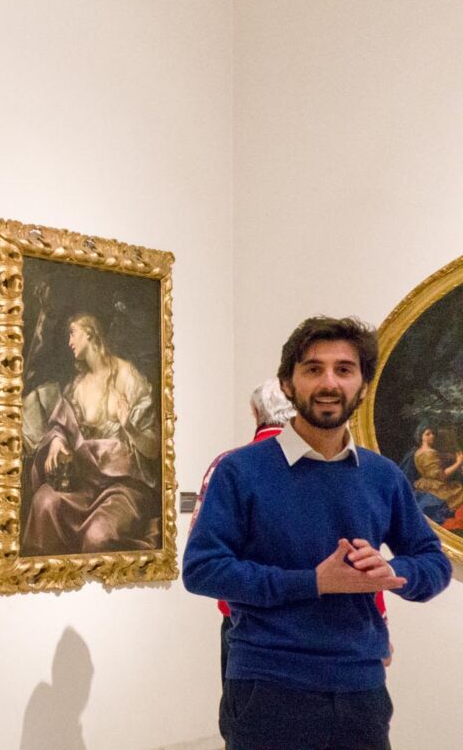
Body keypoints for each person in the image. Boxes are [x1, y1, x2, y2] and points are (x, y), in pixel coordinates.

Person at [184, 316, 451, 750]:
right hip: (267, 688)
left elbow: (433, 563)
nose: (329, 382)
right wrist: (313, 582)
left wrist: (393, 572)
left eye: (344, 369)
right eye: (313, 369)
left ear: (363, 386)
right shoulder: (240, 470)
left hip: (361, 690)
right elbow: (202, 570)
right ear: (288, 385)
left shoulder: (383, 476)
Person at [192, 379, 389, 680]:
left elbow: (206, 561)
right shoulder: (340, 467)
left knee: (252, 706)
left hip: (248, 621)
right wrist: (380, 621)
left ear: (255, 412)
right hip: (338, 622)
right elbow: (359, 557)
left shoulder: (229, 465)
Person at [23, 314, 161, 555]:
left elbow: (153, 448)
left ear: (89, 332)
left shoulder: (128, 376)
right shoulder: (78, 386)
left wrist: (129, 426)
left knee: (98, 537)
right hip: (86, 483)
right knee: (44, 502)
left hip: (123, 488)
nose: (69, 342)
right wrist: (56, 441)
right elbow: (60, 425)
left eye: (72, 333)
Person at [411, 423, 463, 509]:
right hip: (437, 488)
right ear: (421, 436)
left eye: (433, 433)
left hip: (425, 483)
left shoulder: (418, 451)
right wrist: (458, 463)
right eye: (428, 434)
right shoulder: (429, 453)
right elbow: (441, 476)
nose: (432, 436)